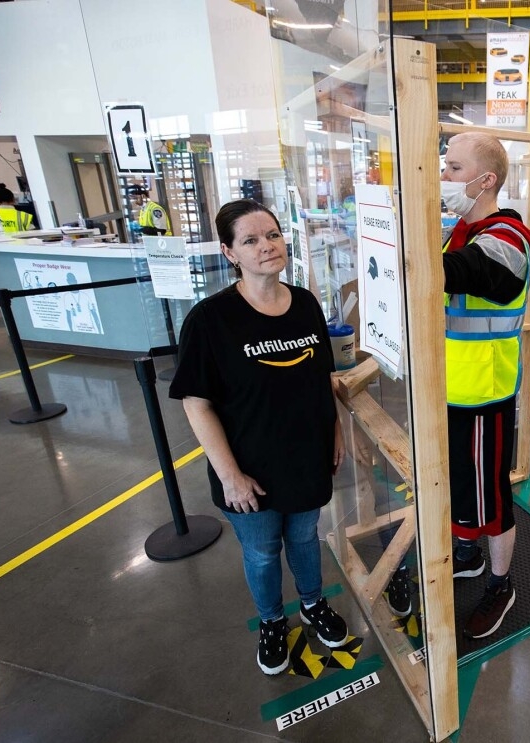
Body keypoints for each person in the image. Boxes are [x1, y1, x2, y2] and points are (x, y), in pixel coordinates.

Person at [169, 199, 350, 675]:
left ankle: (312, 604)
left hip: (307, 456)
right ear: (230, 253)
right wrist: (230, 476)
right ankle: (273, 620)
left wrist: (333, 428)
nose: (266, 246)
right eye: (250, 240)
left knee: (307, 537)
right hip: (249, 466)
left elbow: (321, 377)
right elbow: (196, 402)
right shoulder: (210, 320)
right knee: (263, 548)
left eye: (271, 234)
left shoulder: (307, 303)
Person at [419, 132, 530, 639]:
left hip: (484, 394)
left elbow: (465, 274)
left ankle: (500, 585)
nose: (443, 178)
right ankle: (466, 555)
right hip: (448, 390)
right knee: (459, 487)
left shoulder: (507, 238)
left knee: (492, 497)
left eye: (452, 169)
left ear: (485, 180)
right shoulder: (457, 231)